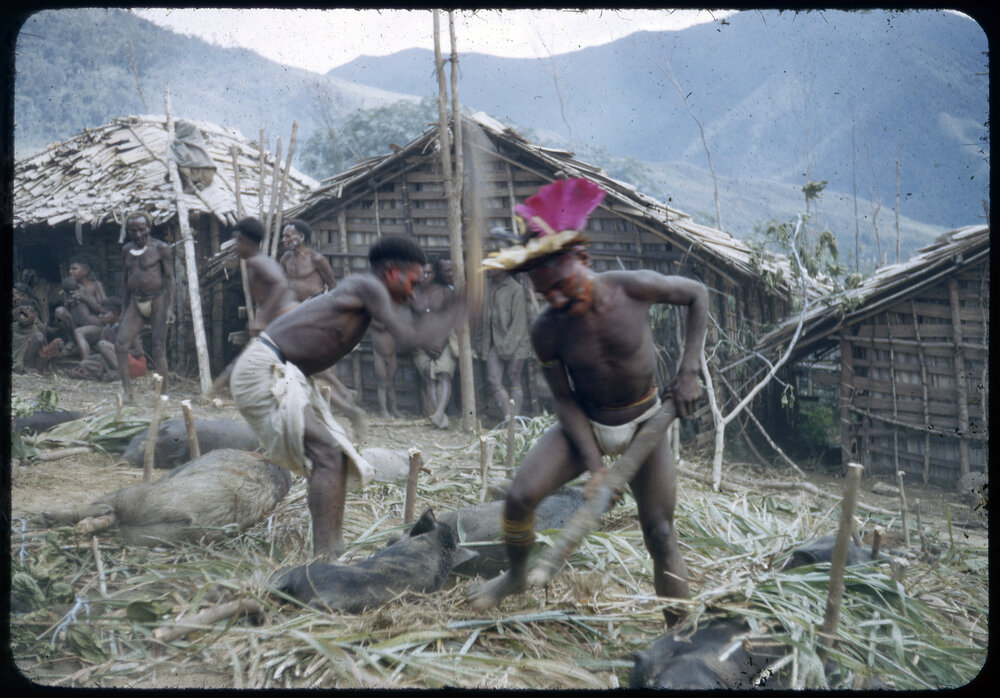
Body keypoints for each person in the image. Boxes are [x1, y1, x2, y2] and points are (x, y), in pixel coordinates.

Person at [468, 178, 709, 625]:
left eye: (562, 284)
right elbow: (565, 399)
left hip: (646, 421)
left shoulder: (632, 289)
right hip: (587, 423)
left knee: (659, 531)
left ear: (582, 258)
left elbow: (698, 293)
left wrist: (689, 371)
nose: (558, 299)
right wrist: (597, 468)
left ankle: (681, 633)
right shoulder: (547, 330)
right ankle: (517, 575)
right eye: (546, 295)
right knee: (519, 498)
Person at [229, 235, 465, 561]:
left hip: (287, 372)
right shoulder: (367, 286)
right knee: (326, 452)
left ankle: (332, 551)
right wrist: (465, 306)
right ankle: (325, 557)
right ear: (392, 271)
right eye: (410, 281)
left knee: (335, 457)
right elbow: (411, 336)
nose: (412, 293)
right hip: (265, 368)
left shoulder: (363, 295)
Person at [233, 217, 367, 440]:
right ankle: (347, 407)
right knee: (307, 374)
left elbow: (282, 286)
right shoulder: (280, 259)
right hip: (289, 319)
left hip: (295, 319)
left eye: (289, 235)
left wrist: (263, 319)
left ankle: (346, 407)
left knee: (310, 372)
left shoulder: (269, 261)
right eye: (283, 236)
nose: (285, 239)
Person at [115, 211, 174, 402]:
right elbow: (125, 282)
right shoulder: (127, 250)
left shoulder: (161, 248)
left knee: (158, 348)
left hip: (158, 300)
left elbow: (170, 279)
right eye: (133, 230)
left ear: (149, 228)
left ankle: (162, 393)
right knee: (120, 344)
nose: (138, 234)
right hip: (135, 302)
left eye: (142, 230)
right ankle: (128, 393)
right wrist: (124, 310)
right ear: (128, 231)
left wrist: (170, 308)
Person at [410, 256, 459, 429]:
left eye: (429, 272)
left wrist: (441, 342)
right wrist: (424, 343)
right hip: (421, 345)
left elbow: (452, 319)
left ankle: (438, 414)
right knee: (429, 376)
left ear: (434, 274)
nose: (425, 276)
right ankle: (441, 417)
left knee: (444, 374)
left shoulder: (445, 292)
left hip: (444, 341)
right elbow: (410, 323)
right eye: (421, 273)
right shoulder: (411, 294)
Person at [481, 266, 533, 418]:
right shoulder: (488, 288)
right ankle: (509, 419)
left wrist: (505, 348)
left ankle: (513, 422)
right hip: (495, 342)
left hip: (516, 341)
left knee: (513, 378)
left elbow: (519, 323)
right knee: (493, 380)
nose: (486, 269)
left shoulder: (515, 289)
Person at [68, 297, 145, 382]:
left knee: (102, 344)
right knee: (84, 362)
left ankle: (119, 374)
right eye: (99, 313)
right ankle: (106, 373)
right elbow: (105, 354)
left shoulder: (127, 328)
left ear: (115, 314)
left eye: (103, 313)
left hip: (135, 365)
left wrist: (117, 351)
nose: (100, 316)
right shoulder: (106, 330)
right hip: (117, 363)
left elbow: (139, 352)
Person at [52, 257, 106, 356]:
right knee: (60, 311)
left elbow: (103, 309)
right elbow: (65, 315)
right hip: (75, 327)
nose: (70, 271)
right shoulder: (71, 287)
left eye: (74, 268)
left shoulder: (96, 285)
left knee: (79, 330)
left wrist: (84, 298)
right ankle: (72, 341)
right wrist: (69, 302)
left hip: (94, 327)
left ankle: (84, 355)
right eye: (70, 269)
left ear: (85, 271)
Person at [280, 219, 337, 301]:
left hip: (315, 304)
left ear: (301, 236)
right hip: (294, 305)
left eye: (287, 236)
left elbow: (332, 285)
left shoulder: (316, 258)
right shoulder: (286, 258)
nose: (284, 240)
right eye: (283, 236)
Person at [12, 297, 59, 374]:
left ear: (35, 315)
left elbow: (44, 348)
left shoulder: (38, 328)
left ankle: (27, 367)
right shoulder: (13, 327)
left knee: (39, 337)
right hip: (14, 362)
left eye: (26, 314)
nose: (22, 317)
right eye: (20, 314)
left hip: (29, 362)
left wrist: (49, 364)